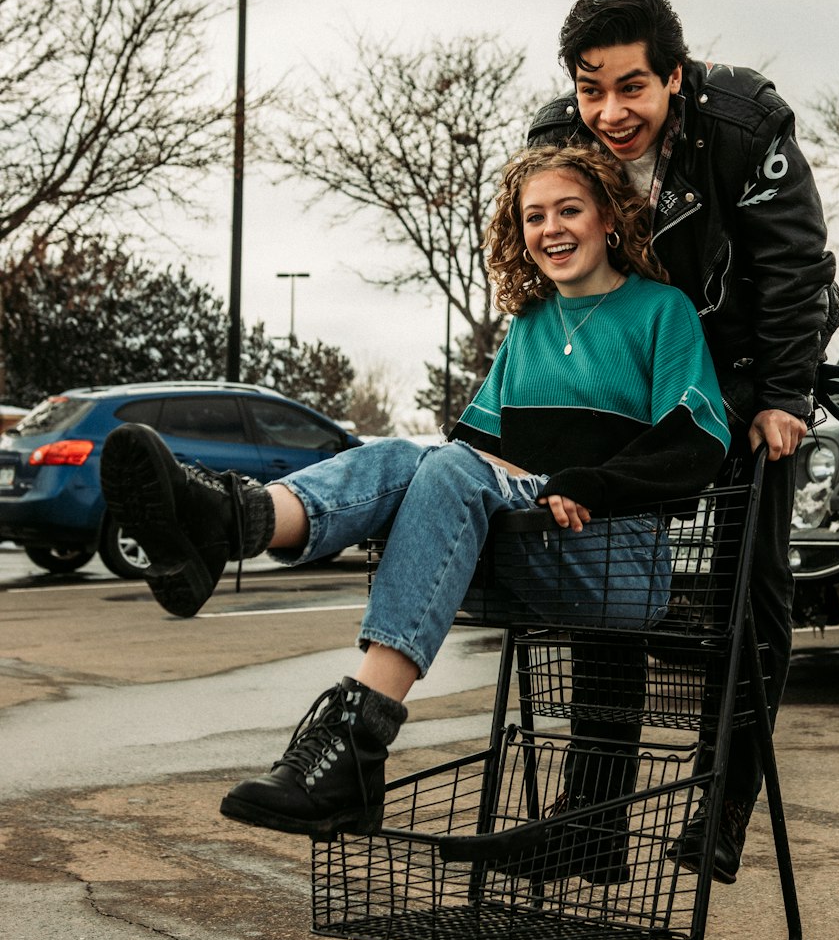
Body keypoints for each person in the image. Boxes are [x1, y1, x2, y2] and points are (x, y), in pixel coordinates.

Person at [100, 145, 730, 864]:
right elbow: (468, 453)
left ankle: (347, 721)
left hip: (616, 562)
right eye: (534, 216)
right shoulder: (527, 329)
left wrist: (590, 482)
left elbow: (697, 441)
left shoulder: (659, 312)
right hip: (532, 547)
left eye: (568, 210)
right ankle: (240, 521)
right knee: (414, 458)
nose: (550, 228)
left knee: (444, 468)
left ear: (610, 218)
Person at [528, 0, 839, 884]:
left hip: (751, 371)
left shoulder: (742, 126)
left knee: (753, 592)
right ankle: (594, 822)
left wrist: (784, 396)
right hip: (647, 375)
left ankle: (722, 803)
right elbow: (557, 268)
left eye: (632, 87)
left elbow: (794, 268)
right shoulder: (559, 142)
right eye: (593, 89)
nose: (611, 112)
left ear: (675, 75)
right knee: (606, 580)